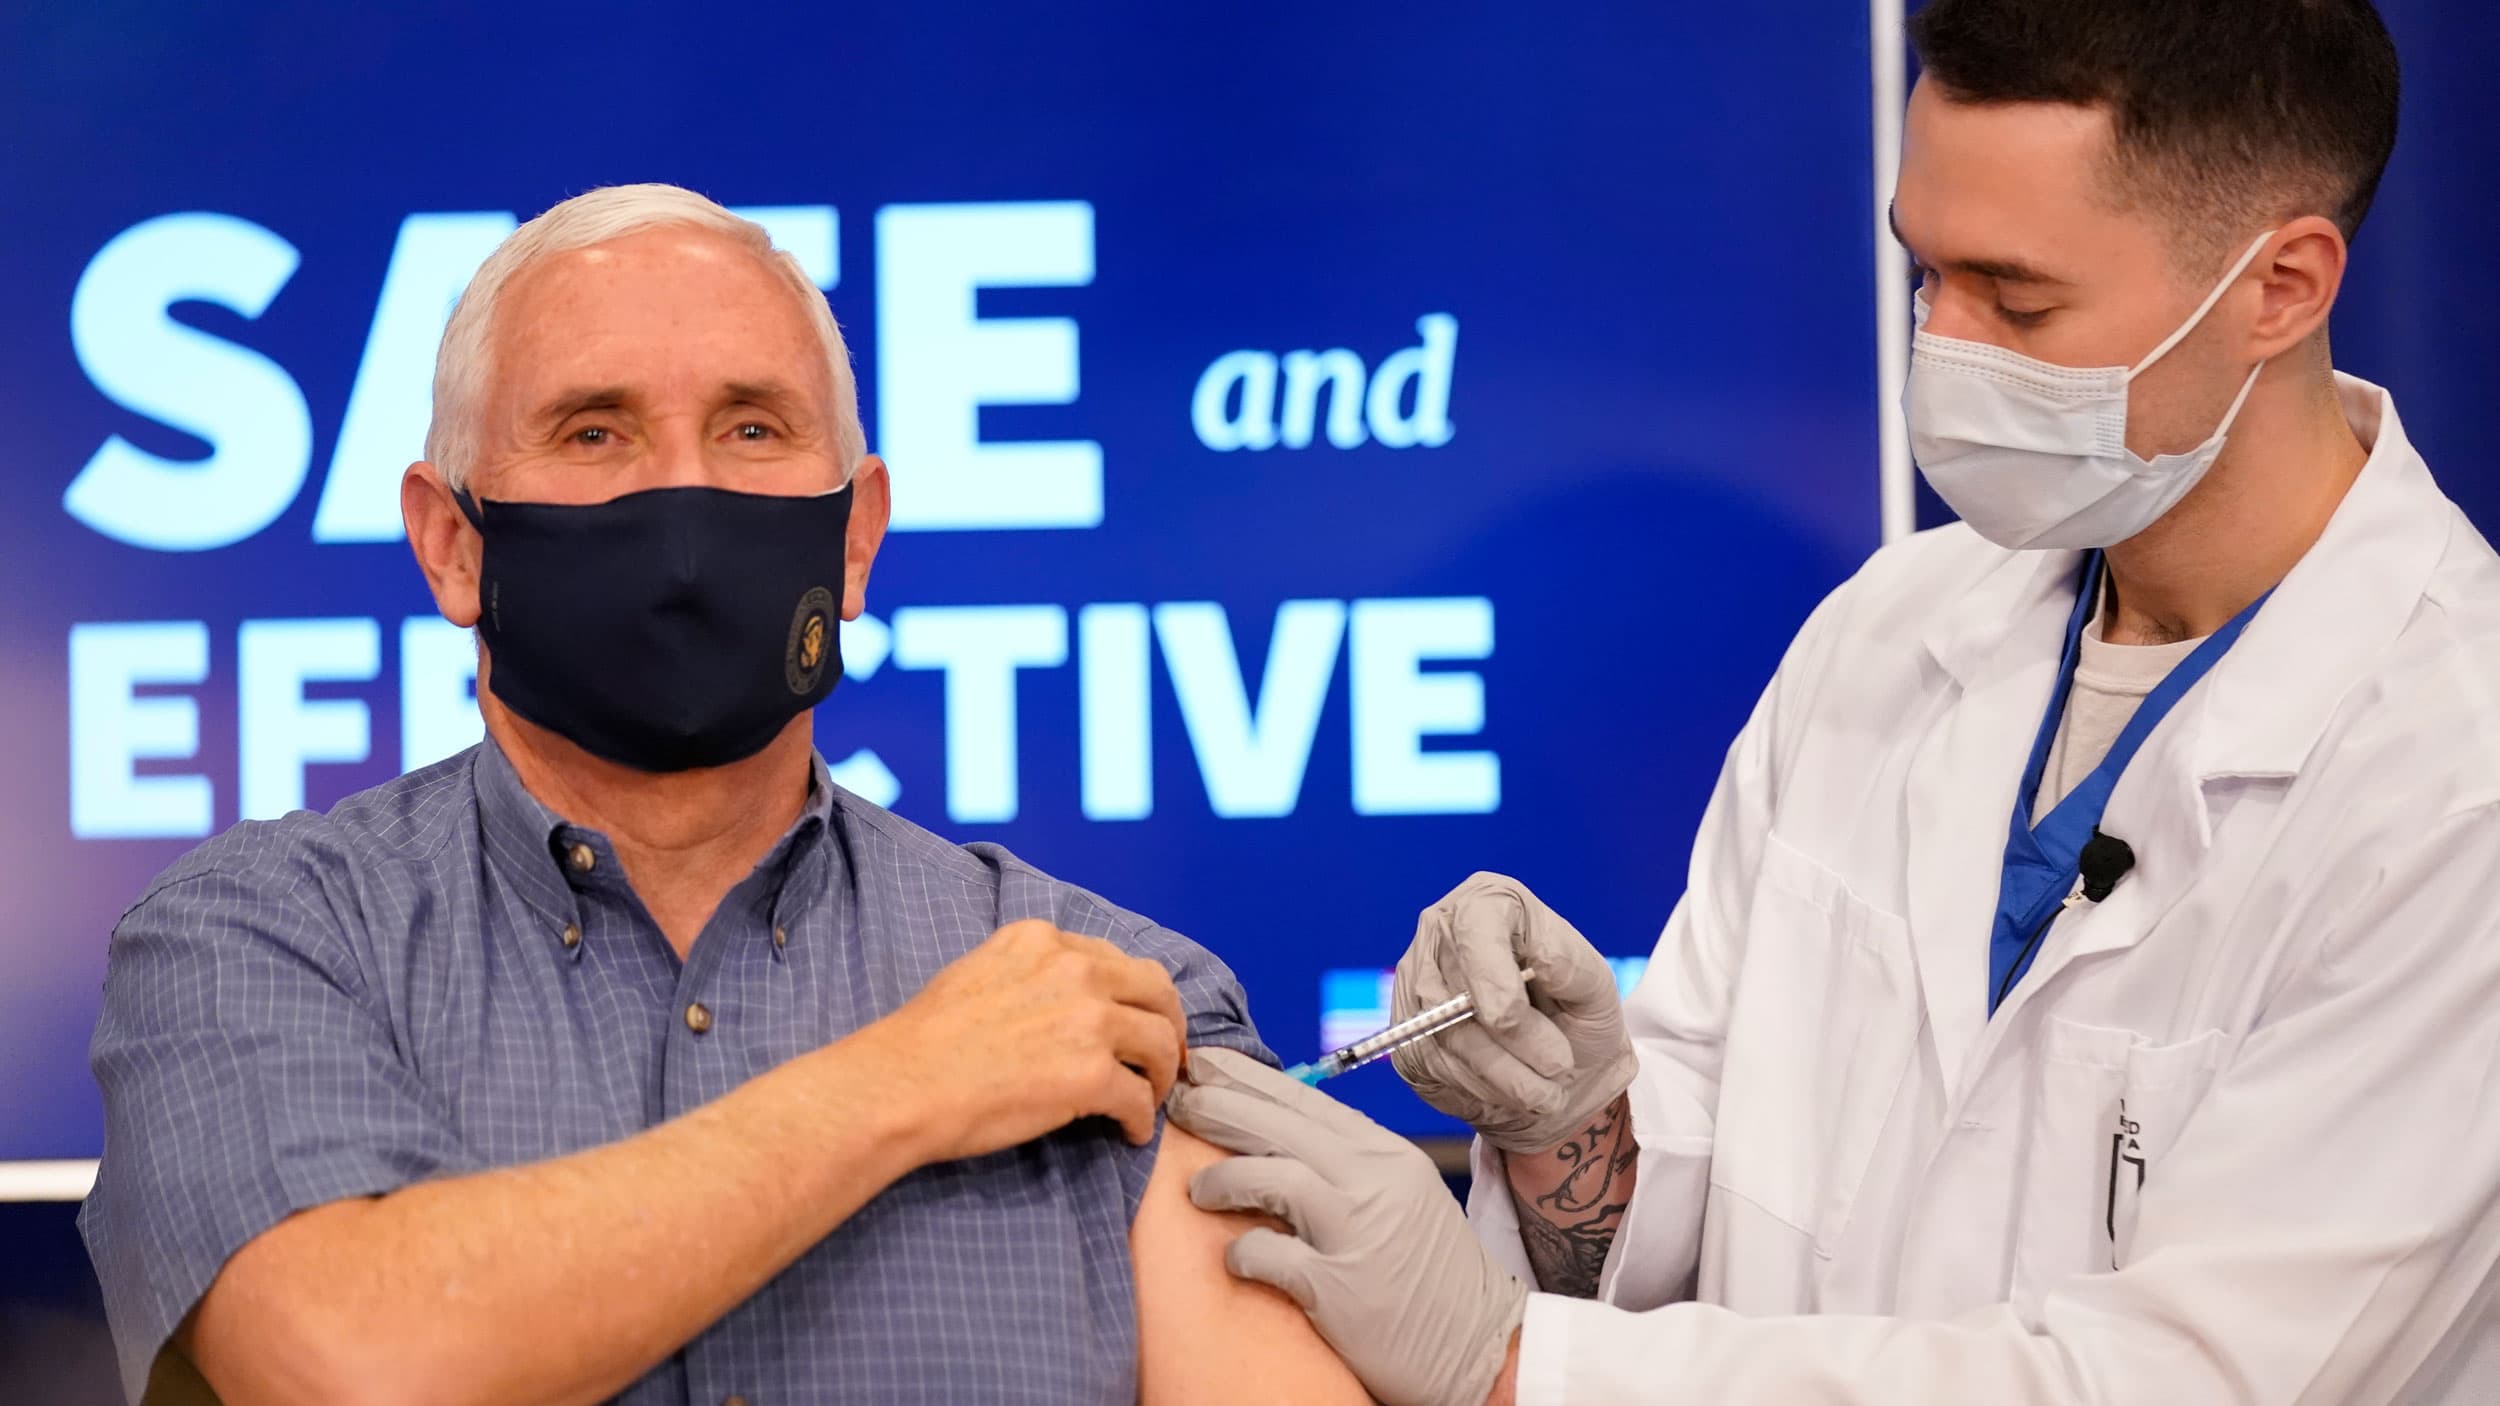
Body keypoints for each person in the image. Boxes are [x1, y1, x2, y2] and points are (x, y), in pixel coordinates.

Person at [1169, 1, 2500, 1402]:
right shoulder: (1894, 629)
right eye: (1923, 273)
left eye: (2017, 297)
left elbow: (2181, 1377)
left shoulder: (2452, 777)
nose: (1946, 345)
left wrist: (1507, 1361)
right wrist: (1575, 1129)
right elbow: (1721, 1210)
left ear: (2280, 285)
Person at [79, 184, 1367, 1406]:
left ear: (855, 536)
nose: (681, 504)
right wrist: (903, 1085)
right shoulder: (266, 939)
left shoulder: (1104, 996)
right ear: (454, 545)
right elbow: (346, 1362)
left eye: (753, 428)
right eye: (596, 432)